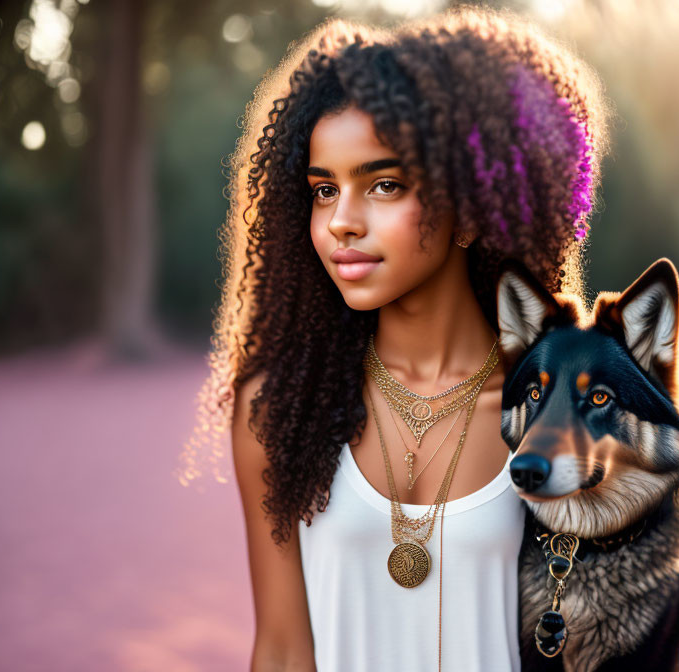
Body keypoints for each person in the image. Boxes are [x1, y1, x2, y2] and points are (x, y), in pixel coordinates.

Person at [182, 6, 609, 671]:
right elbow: (283, 649)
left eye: (383, 185)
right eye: (324, 190)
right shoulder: (278, 409)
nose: (342, 223)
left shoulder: (559, 413)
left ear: (470, 203)